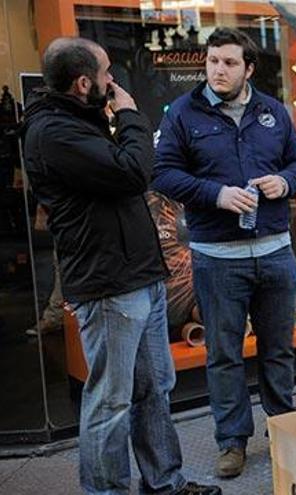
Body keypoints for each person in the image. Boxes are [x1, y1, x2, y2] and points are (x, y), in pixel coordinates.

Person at [21, 37, 220, 495]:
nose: (114, 82)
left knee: (154, 388)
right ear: (83, 82)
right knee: (110, 401)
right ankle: (106, 491)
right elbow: (133, 171)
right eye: (107, 74)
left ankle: (164, 483)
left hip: (137, 277)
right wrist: (130, 114)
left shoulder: (80, 118)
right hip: (109, 286)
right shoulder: (54, 132)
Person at [153, 27, 296, 479]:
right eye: (212, 62)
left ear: (249, 68)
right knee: (223, 354)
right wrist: (216, 195)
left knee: (278, 350)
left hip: (276, 253)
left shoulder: (273, 111)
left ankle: (284, 428)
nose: (217, 70)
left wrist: (287, 182)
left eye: (228, 63)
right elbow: (163, 173)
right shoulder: (185, 113)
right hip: (217, 258)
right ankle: (232, 442)